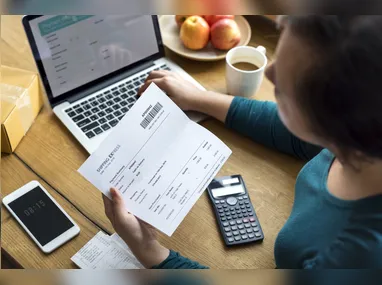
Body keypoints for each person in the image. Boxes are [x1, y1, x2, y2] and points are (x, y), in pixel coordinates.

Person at [102, 15, 382, 269]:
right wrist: (198, 98)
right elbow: (296, 133)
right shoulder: (362, 138)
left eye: (284, 88)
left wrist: (149, 251)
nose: (270, 73)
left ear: (338, 111)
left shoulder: (356, 255)